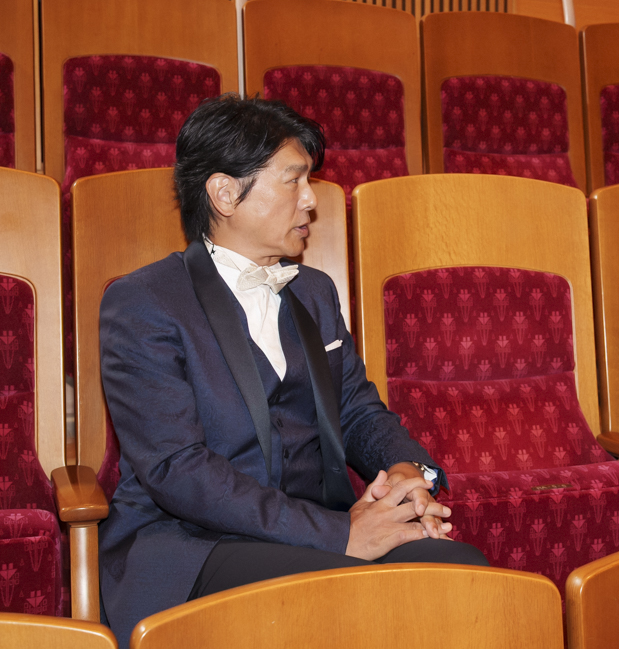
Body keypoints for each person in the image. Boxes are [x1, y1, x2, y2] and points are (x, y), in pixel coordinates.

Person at [99, 94, 487, 644]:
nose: (311, 200)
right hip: (192, 544)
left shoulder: (315, 292)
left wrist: (406, 473)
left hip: (318, 530)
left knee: (463, 573)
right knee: (360, 599)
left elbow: (357, 411)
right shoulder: (144, 301)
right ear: (225, 193)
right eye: (294, 181)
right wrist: (339, 534)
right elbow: (177, 470)